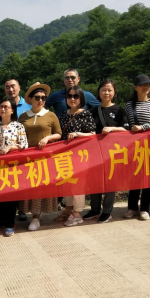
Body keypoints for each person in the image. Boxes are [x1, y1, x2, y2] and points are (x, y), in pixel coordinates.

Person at [18, 82, 62, 230]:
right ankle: (29, 212)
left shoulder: (50, 115)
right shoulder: (23, 116)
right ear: (30, 99)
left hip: (45, 157)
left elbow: (59, 134)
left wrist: (47, 138)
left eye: (43, 97)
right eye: (37, 97)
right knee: (29, 186)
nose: (41, 100)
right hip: (27, 157)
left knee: (40, 186)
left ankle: (36, 216)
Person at [85, 79, 129, 223]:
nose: (106, 93)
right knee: (95, 181)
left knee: (110, 181)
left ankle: (107, 211)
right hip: (95, 152)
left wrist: (112, 129)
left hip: (112, 152)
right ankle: (94, 209)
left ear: (114, 92)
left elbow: (127, 129)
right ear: (99, 92)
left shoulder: (119, 110)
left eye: (109, 90)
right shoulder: (93, 111)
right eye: (104, 90)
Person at [124, 75, 150, 220]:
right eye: (142, 85)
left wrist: (143, 127)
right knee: (134, 177)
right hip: (134, 146)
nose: (145, 87)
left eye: (148, 85)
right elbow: (126, 124)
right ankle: (132, 208)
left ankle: (145, 208)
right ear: (135, 87)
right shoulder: (129, 105)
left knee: (148, 177)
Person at [55, 85, 96, 226]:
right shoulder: (63, 115)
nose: (72, 99)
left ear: (81, 98)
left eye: (75, 96)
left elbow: (92, 134)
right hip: (65, 156)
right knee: (67, 184)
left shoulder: (86, 114)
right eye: (69, 96)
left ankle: (77, 214)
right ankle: (69, 210)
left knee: (78, 185)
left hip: (80, 156)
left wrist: (78, 134)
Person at [0, 99, 28, 236]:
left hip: (13, 164)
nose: (3, 109)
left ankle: (10, 223)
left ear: (12, 110)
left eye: (6, 107)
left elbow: (24, 145)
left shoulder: (18, 126)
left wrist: (10, 147)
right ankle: (1, 219)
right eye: (1, 106)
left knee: (10, 194)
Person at [4, 78, 31, 221]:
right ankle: (8, 214)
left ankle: (22, 210)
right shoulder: (3, 107)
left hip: (25, 150)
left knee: (23, 181)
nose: (10, 89)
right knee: (9, 183)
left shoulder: (29, 106)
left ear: (19, 87)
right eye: (7, 87)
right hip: (7, 153)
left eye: (13, 86)